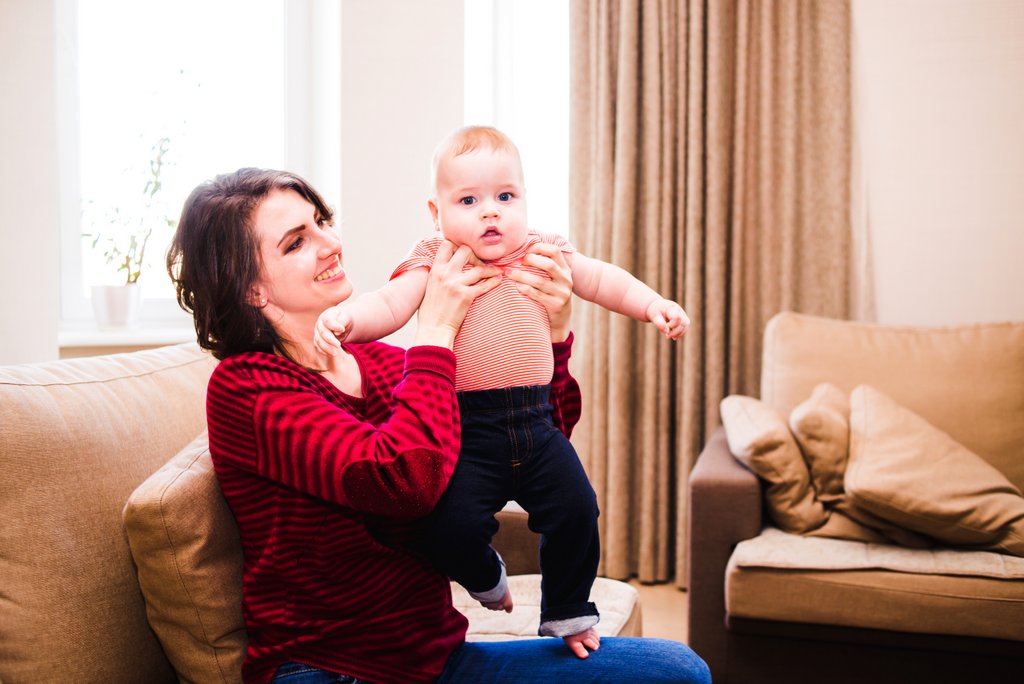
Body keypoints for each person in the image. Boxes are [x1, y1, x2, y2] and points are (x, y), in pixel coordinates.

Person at [166, 167, 710, 684]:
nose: (330, 243)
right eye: (296, 242)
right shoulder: (248, 387)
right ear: (250, 289)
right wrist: (438, 330)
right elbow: (401, 482)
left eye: (321, 223)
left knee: (678, 670)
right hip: (329, 668)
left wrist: (555, 335)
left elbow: (538, 435)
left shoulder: (376, 362)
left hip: (435, 660)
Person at [313, 126, 691, 656]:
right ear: (436, 210)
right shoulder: (437, 260)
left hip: (536, 425)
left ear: (525, 200)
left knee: (578, 509)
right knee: (448, 528)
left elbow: (606, 281)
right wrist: (346, 319)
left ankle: (568, 611)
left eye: (505, 197)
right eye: (469, 200)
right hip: (467, 428)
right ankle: (486, 575)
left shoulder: (543, 251)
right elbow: (390, 304)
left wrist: (654, 305)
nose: (490, 212)